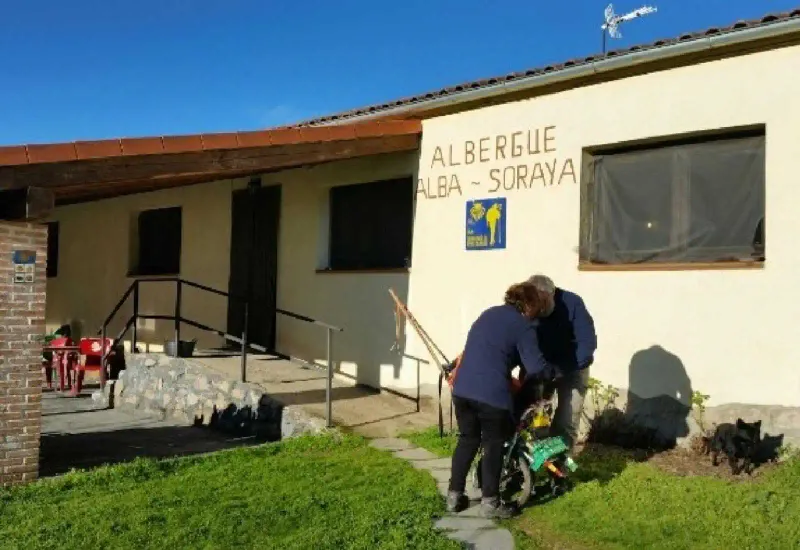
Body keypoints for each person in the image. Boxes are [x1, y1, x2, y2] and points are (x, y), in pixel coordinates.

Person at [446, 281, 559, 519]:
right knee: (493, 445)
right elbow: (536, 367)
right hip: (491, 395)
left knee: (467, 440)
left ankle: (454, 497)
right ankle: (490, 503)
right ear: (528, 305)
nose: (536, 313)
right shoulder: (522, 326)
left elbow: (490, 350)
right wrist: (554, 372)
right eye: (536, 307)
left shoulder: (487, 314)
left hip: (463, 390)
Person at [528, 274, 597, 450]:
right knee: (532, 417)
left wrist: (560, 370)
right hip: (541, 367)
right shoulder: (528, 304)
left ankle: (559, 470)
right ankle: (533, 463)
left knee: (566, 420)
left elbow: (587, 344)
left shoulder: (573, 303)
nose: (540, 309)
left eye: (544, 303)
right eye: (537, 305)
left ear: (552, 293)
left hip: (572, 367)